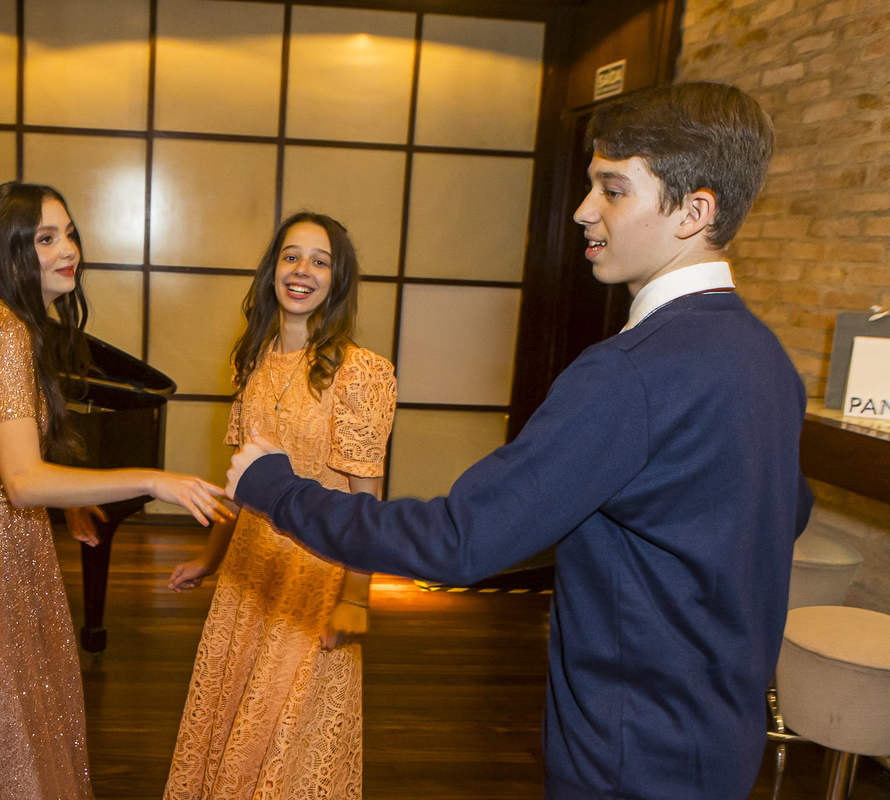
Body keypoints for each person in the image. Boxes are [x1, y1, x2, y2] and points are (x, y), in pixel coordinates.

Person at [226, 84, 814, 799]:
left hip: (630, 749)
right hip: (721, 734)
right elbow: (784, 509)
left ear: (694, 212)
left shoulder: (629, 374)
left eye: (613, 190)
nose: (584, 210)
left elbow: (457, 541)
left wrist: (276, 487)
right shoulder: (763, 356)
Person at [0, 181, 230, 800]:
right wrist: (155, 478)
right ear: (8, 249)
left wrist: (68, 501)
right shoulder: (4, 332)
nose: (69, 250)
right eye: (46, 239)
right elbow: (22, 482)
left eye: (68, 234)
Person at [162, 212, 396, 799]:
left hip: (314, 575)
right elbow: (241, 482)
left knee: (290, 740)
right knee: (233, 725)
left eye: (321, 261)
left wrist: (356, 597)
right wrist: (211, 559)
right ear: (273, 270)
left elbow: (367, 504)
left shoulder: (362, 373)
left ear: (338, 281)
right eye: (292, 256)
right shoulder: (252, 360)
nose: (302, 271)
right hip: (247, 576)